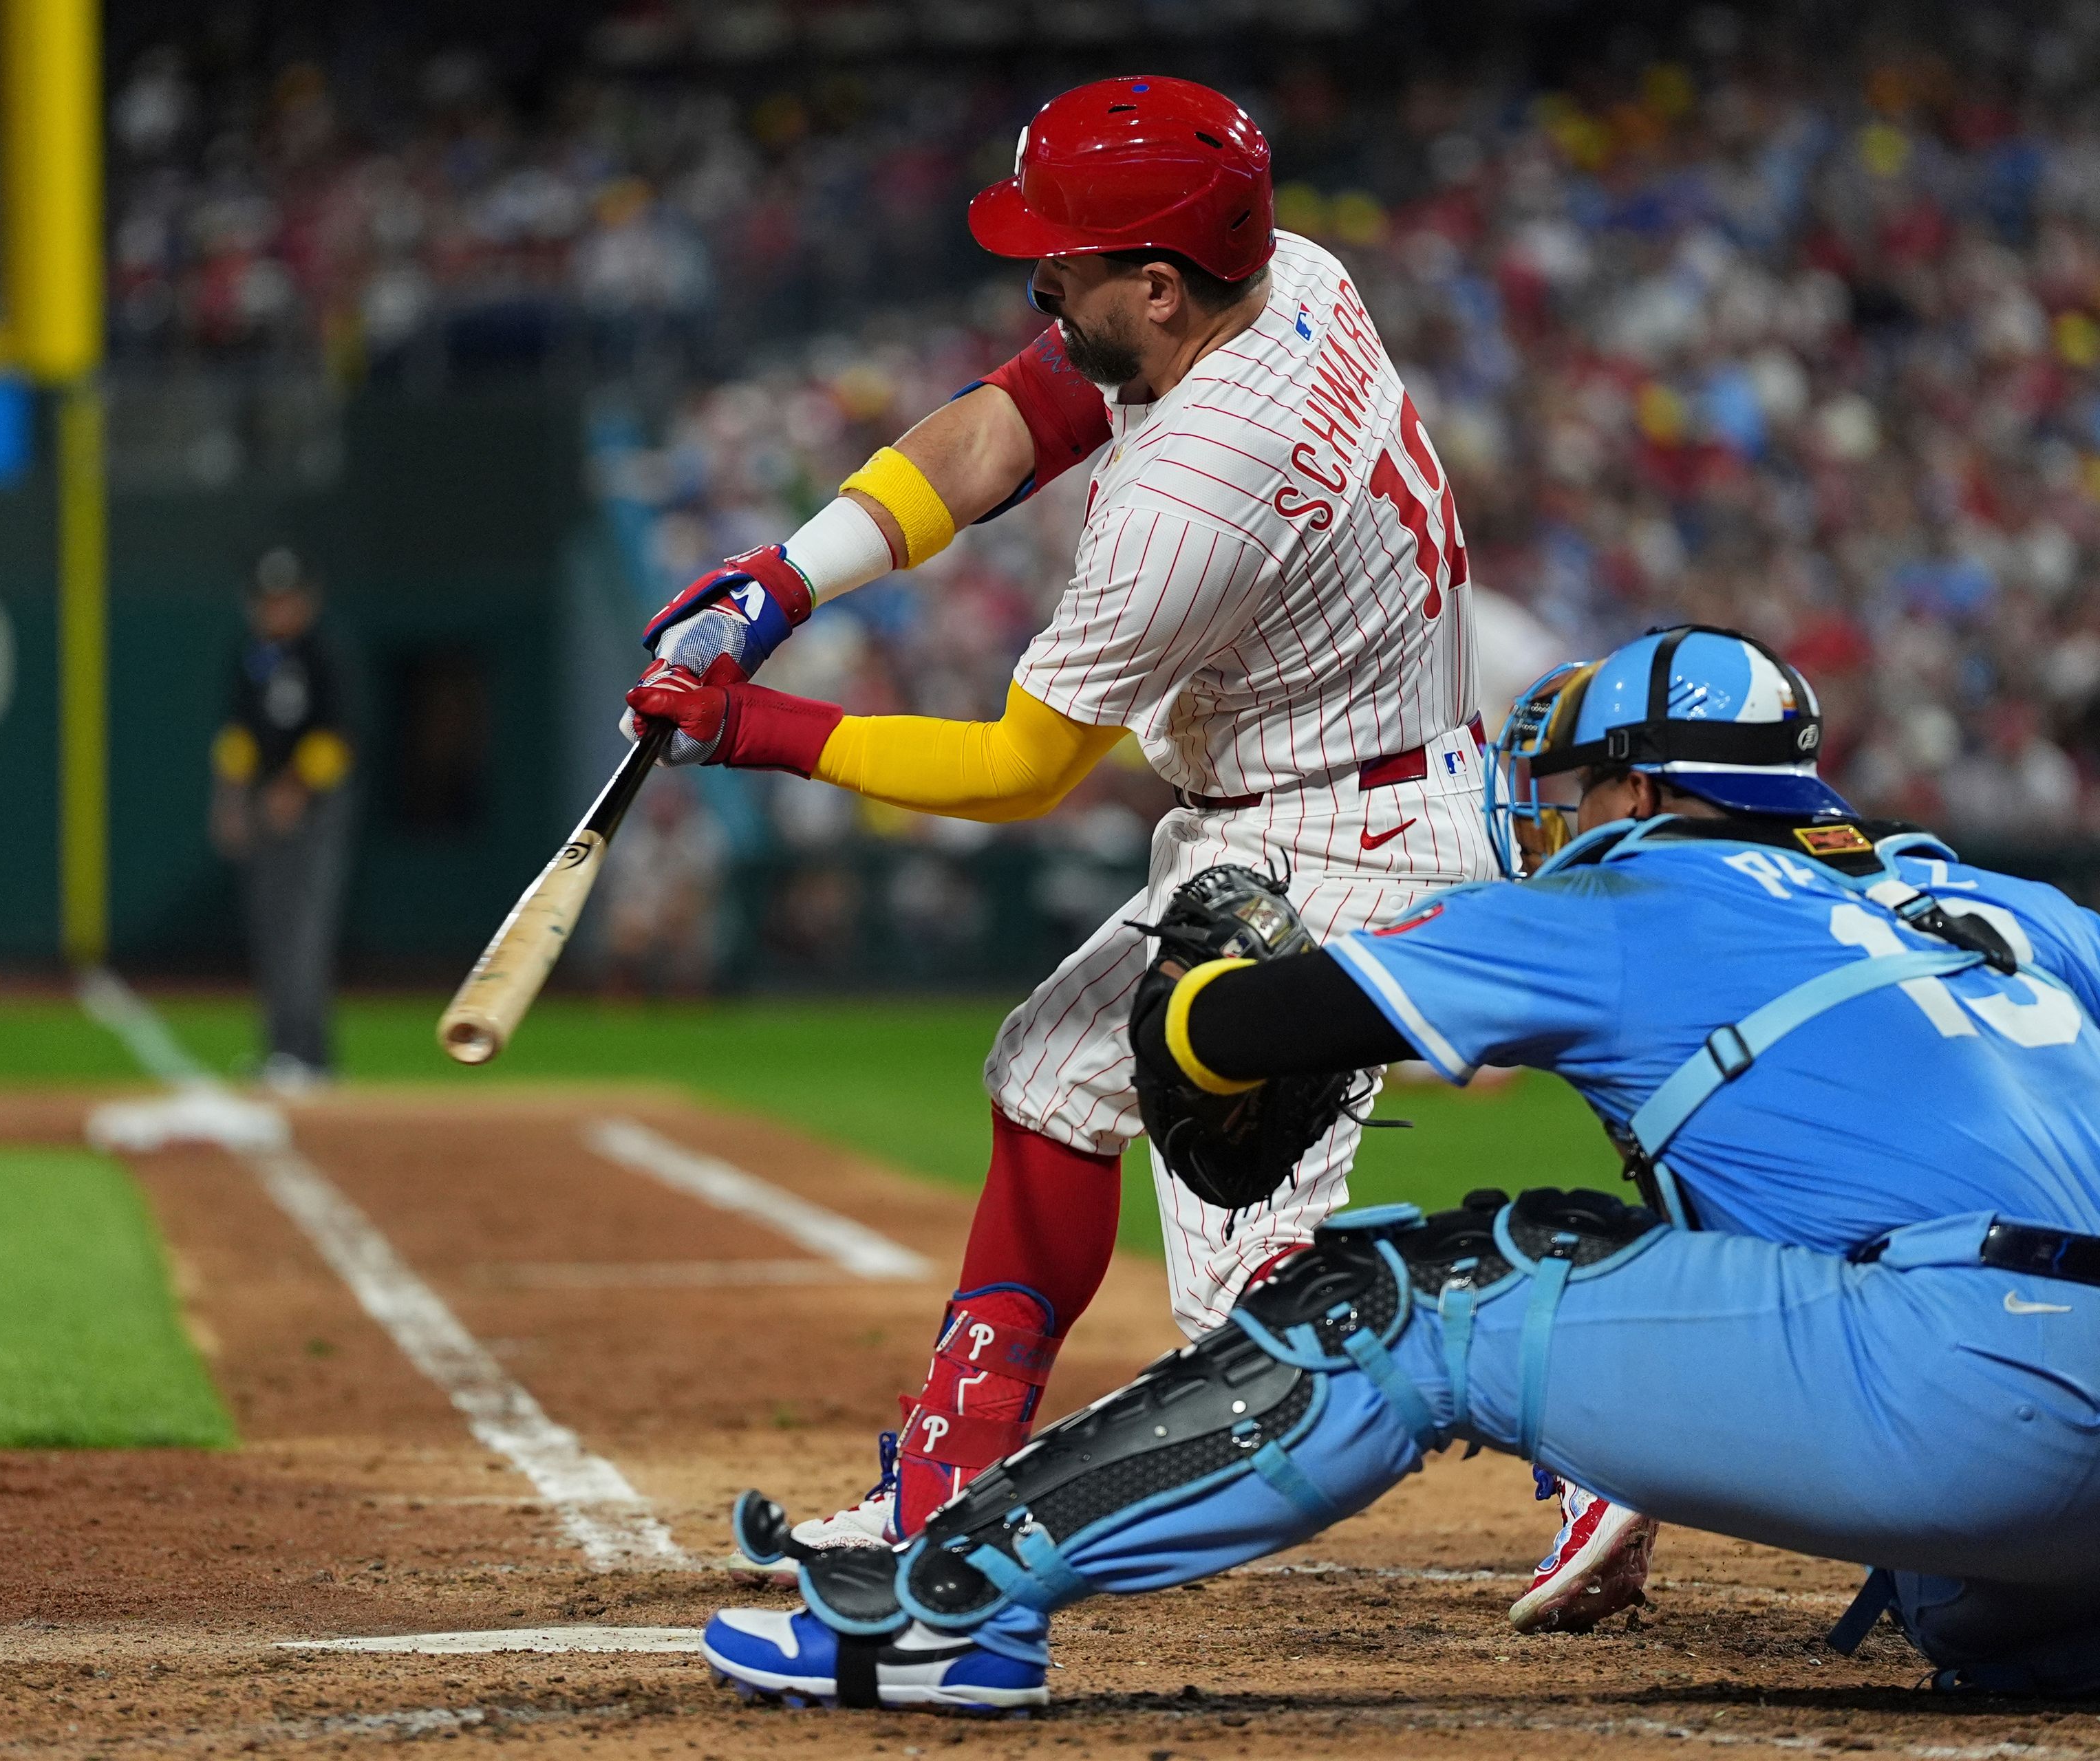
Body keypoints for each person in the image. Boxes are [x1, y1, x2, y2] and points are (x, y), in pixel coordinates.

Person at [623, 74, 1636, 1628]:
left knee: (1262, 1331)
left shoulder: (1189, 487)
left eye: (1066, 262)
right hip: (1330, 790)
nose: (1039, 283)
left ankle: (1598, 1433)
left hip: (1324, 841)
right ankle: (942, 1474)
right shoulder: (1281, 276)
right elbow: (1005, 424)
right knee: (1047, 1070)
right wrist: (781, 582)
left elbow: (1021, 768)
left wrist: (755, 729)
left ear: (1155, 286)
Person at [697, 625, 2100, 1709]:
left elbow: (1257, 1022)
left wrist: (1189, 993)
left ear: (1650, 787)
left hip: (1965, 1387)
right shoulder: (2009, 901)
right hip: (2038, 1419)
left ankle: (945, 1605)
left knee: (1402, 1291)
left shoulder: (1629, 891)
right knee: (1962, 1591)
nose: (1559, 815)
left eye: (1583, 783)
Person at [211, 547, 356, 1091]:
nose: (277, 610)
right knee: (271, 929)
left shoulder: (323, 654)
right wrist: (230, 800)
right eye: (268, 600)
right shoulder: (249, 654)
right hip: (263, 806)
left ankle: (310, 1055)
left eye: (286, 598)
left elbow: (339, 737)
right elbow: (238, 737)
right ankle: (281, 1051)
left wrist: (295, 788)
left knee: (304, 932)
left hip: (316, 809)